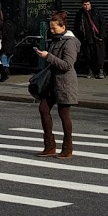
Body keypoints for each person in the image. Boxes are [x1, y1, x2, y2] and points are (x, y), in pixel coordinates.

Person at [33, 11, 78, 159]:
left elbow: (67, 65)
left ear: (63, 26)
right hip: (52, 82)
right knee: (43, 109)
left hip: (65, 82)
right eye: (50, 28)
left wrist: (48, 56)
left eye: (54, 28)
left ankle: (67, 147)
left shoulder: (69, 42)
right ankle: (49, 145)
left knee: (64, 114)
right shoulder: (56, 40)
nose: (52, 31)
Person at [74, 0, 104, 79]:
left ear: (90, 4)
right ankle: (90, 70)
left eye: (87, 4)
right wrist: (78, 38)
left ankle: (100, 70)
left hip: (97, 38)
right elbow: (76, 26)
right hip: (85, 38)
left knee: (99, 55)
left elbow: (102, 24)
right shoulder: (80, 14)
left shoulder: (96, 12)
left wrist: (101, 36)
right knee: (88, 56)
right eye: (84, 4)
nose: (86, 6)